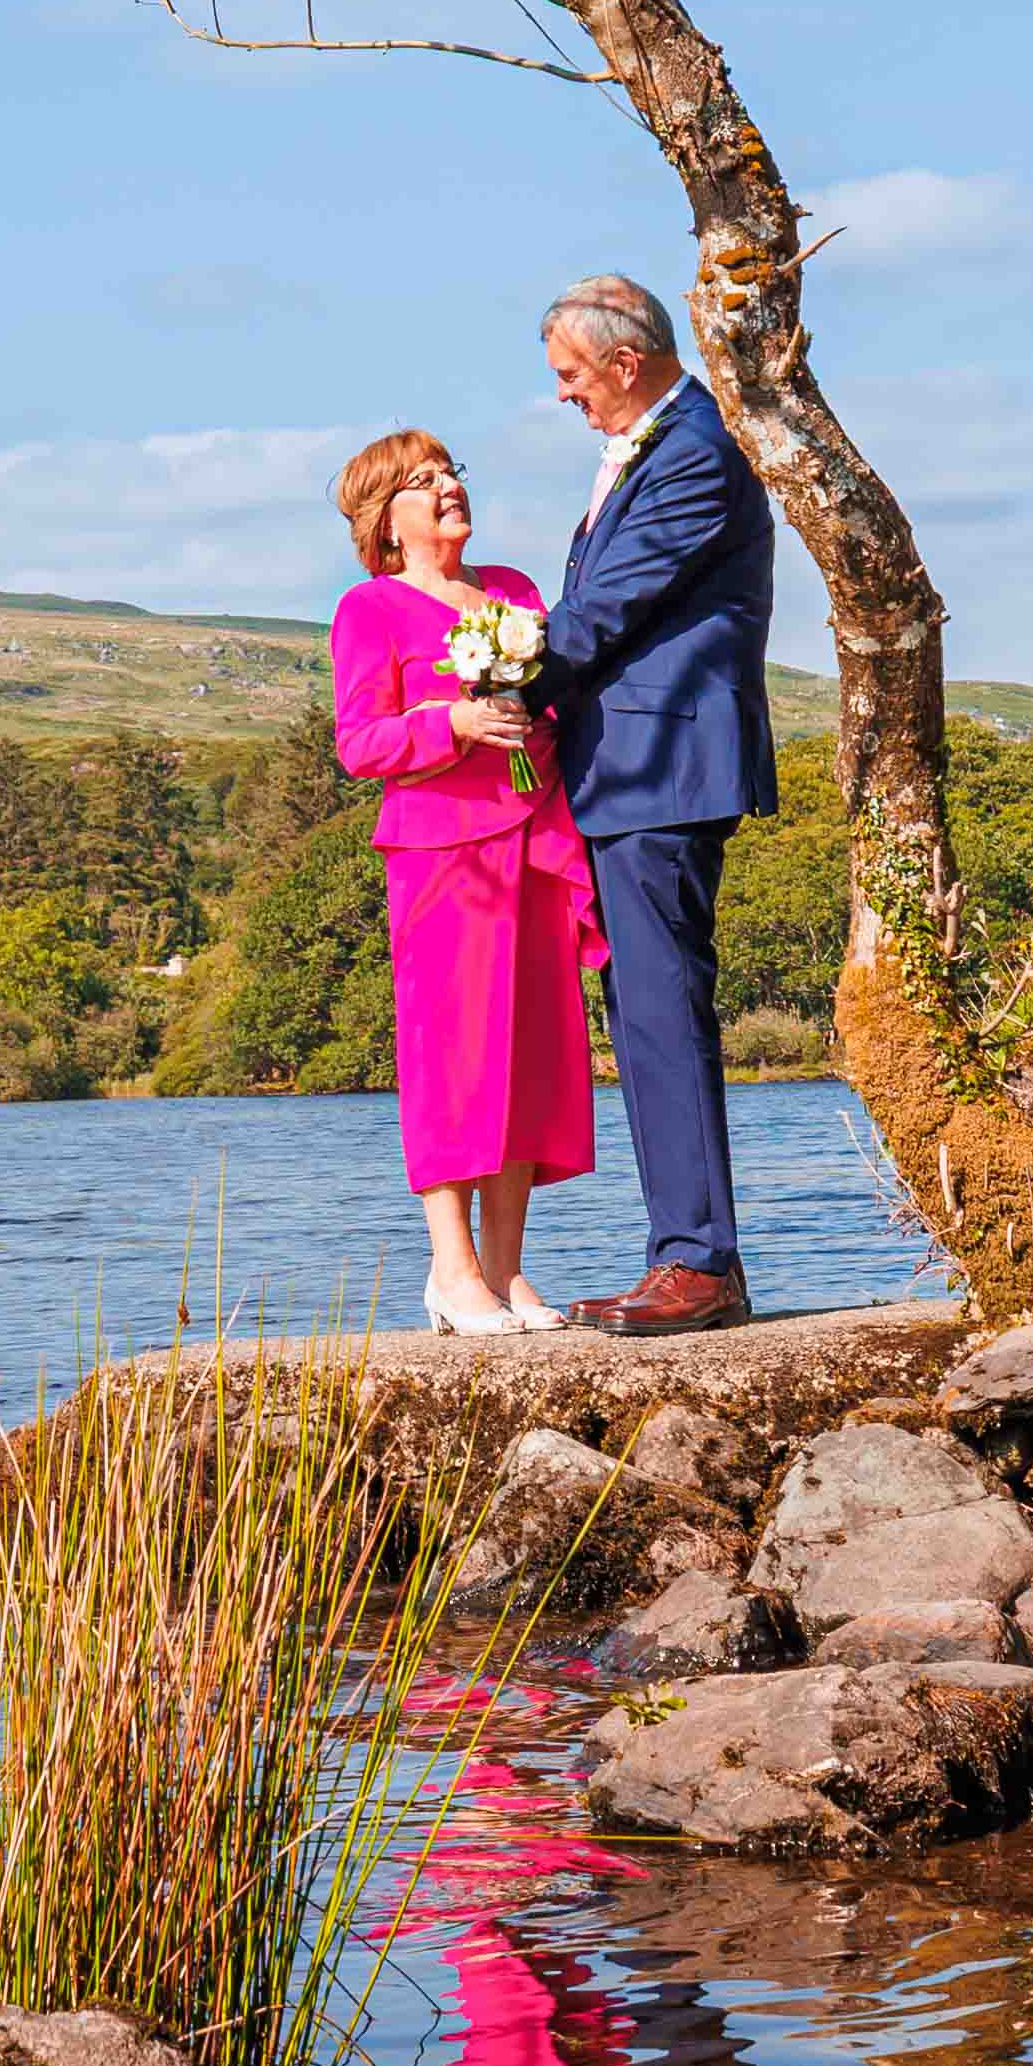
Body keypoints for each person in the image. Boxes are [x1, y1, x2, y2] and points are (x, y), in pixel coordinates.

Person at [531, 273, 775, 1335]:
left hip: (660, 766)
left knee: (664, 1012)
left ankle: (699, 1264)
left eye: (571, 375)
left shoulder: (692, 454)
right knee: (646, 1014)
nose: (565, 395)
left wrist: (484, 683)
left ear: (626, 363)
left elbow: (601, 613)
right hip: (629, 771)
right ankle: (684, 1251)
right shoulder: (664, 446)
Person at [324, 427, 599, 1336]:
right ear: (385, 522)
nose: (447, 487)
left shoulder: (514, 592)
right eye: (422, 480)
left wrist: (534, 722)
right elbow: (360, 744)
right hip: (441, 856)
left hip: (532, 838)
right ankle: (453, 1271)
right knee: (452, 1057)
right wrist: (454, 724)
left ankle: (510, 1273)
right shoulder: (370, 608)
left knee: (531, 1051)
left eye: (450, 473)